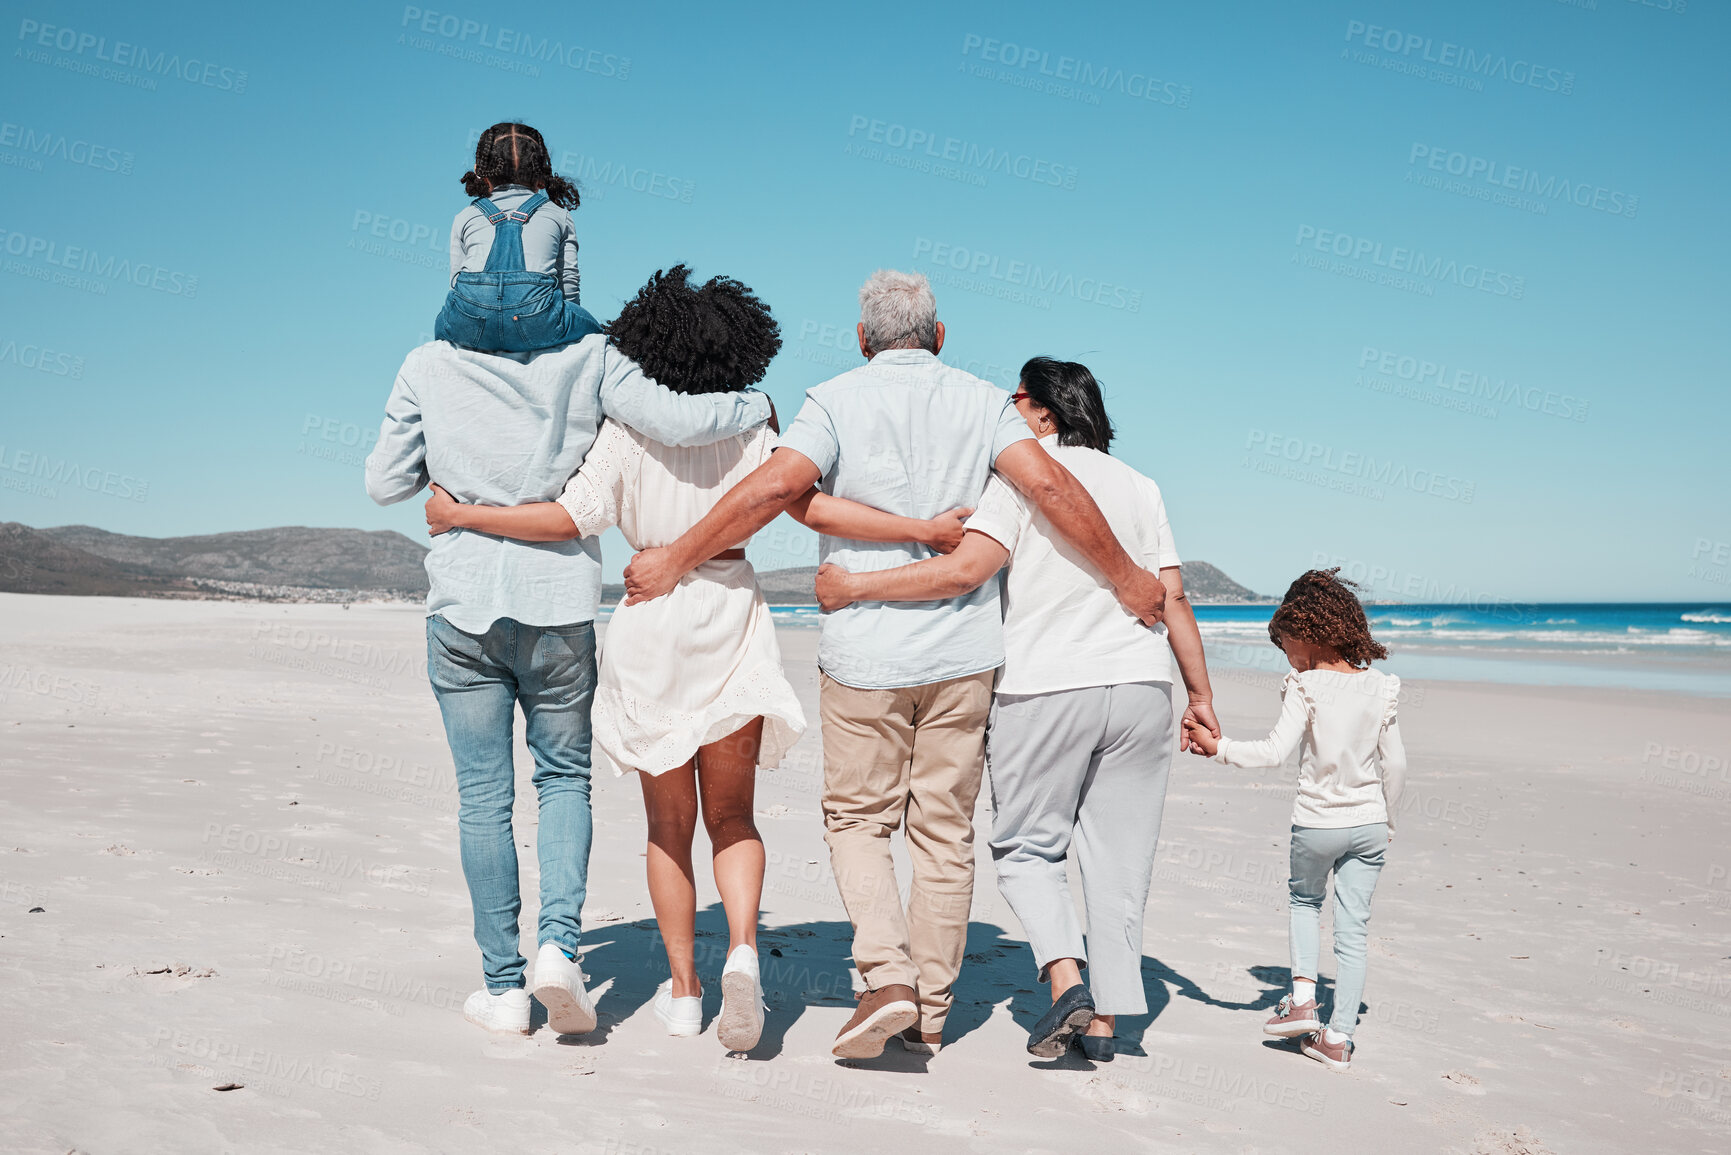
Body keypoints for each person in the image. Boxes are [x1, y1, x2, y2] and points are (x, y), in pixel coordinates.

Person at [621, 271, 1170, 1060]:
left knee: (857, 822)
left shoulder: (834, 398)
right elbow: (1048, 481)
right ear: (939, 337)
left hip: (867, 653)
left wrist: (676, 554)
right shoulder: (983, 401)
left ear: (861, 338)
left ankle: (886, 979)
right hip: (963, 656)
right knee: (943, 834)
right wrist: (1124, 575)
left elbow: (779, 485)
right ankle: (934, 1011)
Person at [420, 265, 823, 1052]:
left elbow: (566, 516)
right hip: (731, 612)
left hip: (650, 619)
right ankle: (742, 949)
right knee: (732, 815)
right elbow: (794, 498)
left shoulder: (625, 431)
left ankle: (682, 992)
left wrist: (461, 512)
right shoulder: (754, 427)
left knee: (667, 827)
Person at [813, 356, 1217, 1061]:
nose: (1007, 409)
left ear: (1043, 413)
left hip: (1046, 686)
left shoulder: (1017, 478)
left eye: (1017, 399)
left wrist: (855, 585)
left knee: (1027, 849)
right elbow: (1171, 596)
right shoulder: (1142, 486)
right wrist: (1200, 696)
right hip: (1144, 688)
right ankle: (1105, 1026)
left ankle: (1067, 981)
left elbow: (965, 568)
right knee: (1120, 862)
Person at [1183, 569, 1406, 1071]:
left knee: (1305, 902)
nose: (1286, 657)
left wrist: (1219, 749)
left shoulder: (1304, 686)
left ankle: (1302, 1001)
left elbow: (1272, 751)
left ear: (1307, 634)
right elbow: (1396, 765)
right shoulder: (1382, 687)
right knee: (1354, 931)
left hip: (1317, 823)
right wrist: (1387, 822)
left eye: (1286, 646)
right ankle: (1339, 1038)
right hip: (1369, 824)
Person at [434, 121, 602, 353]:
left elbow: (456, 282)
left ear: (480, 171)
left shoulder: (465, 216)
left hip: (472, 324)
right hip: (537, 322)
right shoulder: (558, 215)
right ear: (541, 174)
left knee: (442, 320)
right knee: (595, 329)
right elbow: (569, 288)